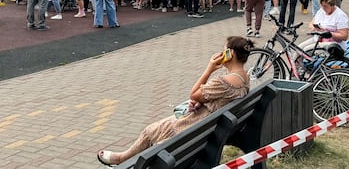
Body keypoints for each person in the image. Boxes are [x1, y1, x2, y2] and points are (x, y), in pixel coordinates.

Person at [96, 36, 254, 166]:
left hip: (193, 130)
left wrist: (210, 68)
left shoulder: (223, 81)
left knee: (152, 131)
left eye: (224, 50)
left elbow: (193, 94)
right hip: (209, 129)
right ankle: (123, 158)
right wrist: (202, 102)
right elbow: (218, 99)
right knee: (154, 129)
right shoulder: (244, 78)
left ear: (230, 53)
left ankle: (122, 159)